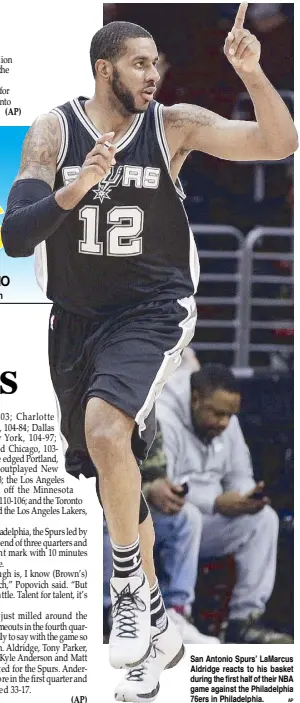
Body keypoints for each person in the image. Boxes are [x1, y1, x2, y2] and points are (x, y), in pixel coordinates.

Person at [2, 5, 296, 701]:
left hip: (154, 307)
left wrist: (253, 73)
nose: (153, 73)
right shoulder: (53, 129)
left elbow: (278, 143)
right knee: (110, 465)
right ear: (104, 68)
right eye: (140, 63)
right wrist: (74, 188)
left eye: (158, 62)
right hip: (75, 320)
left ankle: (131, 588)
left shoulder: (172, 125)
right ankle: (157, 621)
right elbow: (15, 236)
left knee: (110, 429)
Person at [156, 363, 293, 644]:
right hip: (169, 522)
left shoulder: (225, 419)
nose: (224, 423)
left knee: (264, 519)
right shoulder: (163, 417)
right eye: (217, 414)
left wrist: (244, 497)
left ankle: (244, 621)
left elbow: (239, 472)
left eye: (230, 415)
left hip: (210, 519)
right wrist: (216, 503)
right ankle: (179, 616)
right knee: (188, 514)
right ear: (195, 400)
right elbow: (164, 487)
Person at [103, 421, 220, 645]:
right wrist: (146, 491)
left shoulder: (145, 415)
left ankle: (172, 613)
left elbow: (154, 472)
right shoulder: (80, 410)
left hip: (132, 504)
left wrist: (162, 490)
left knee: (186, 518)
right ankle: (116, 615)